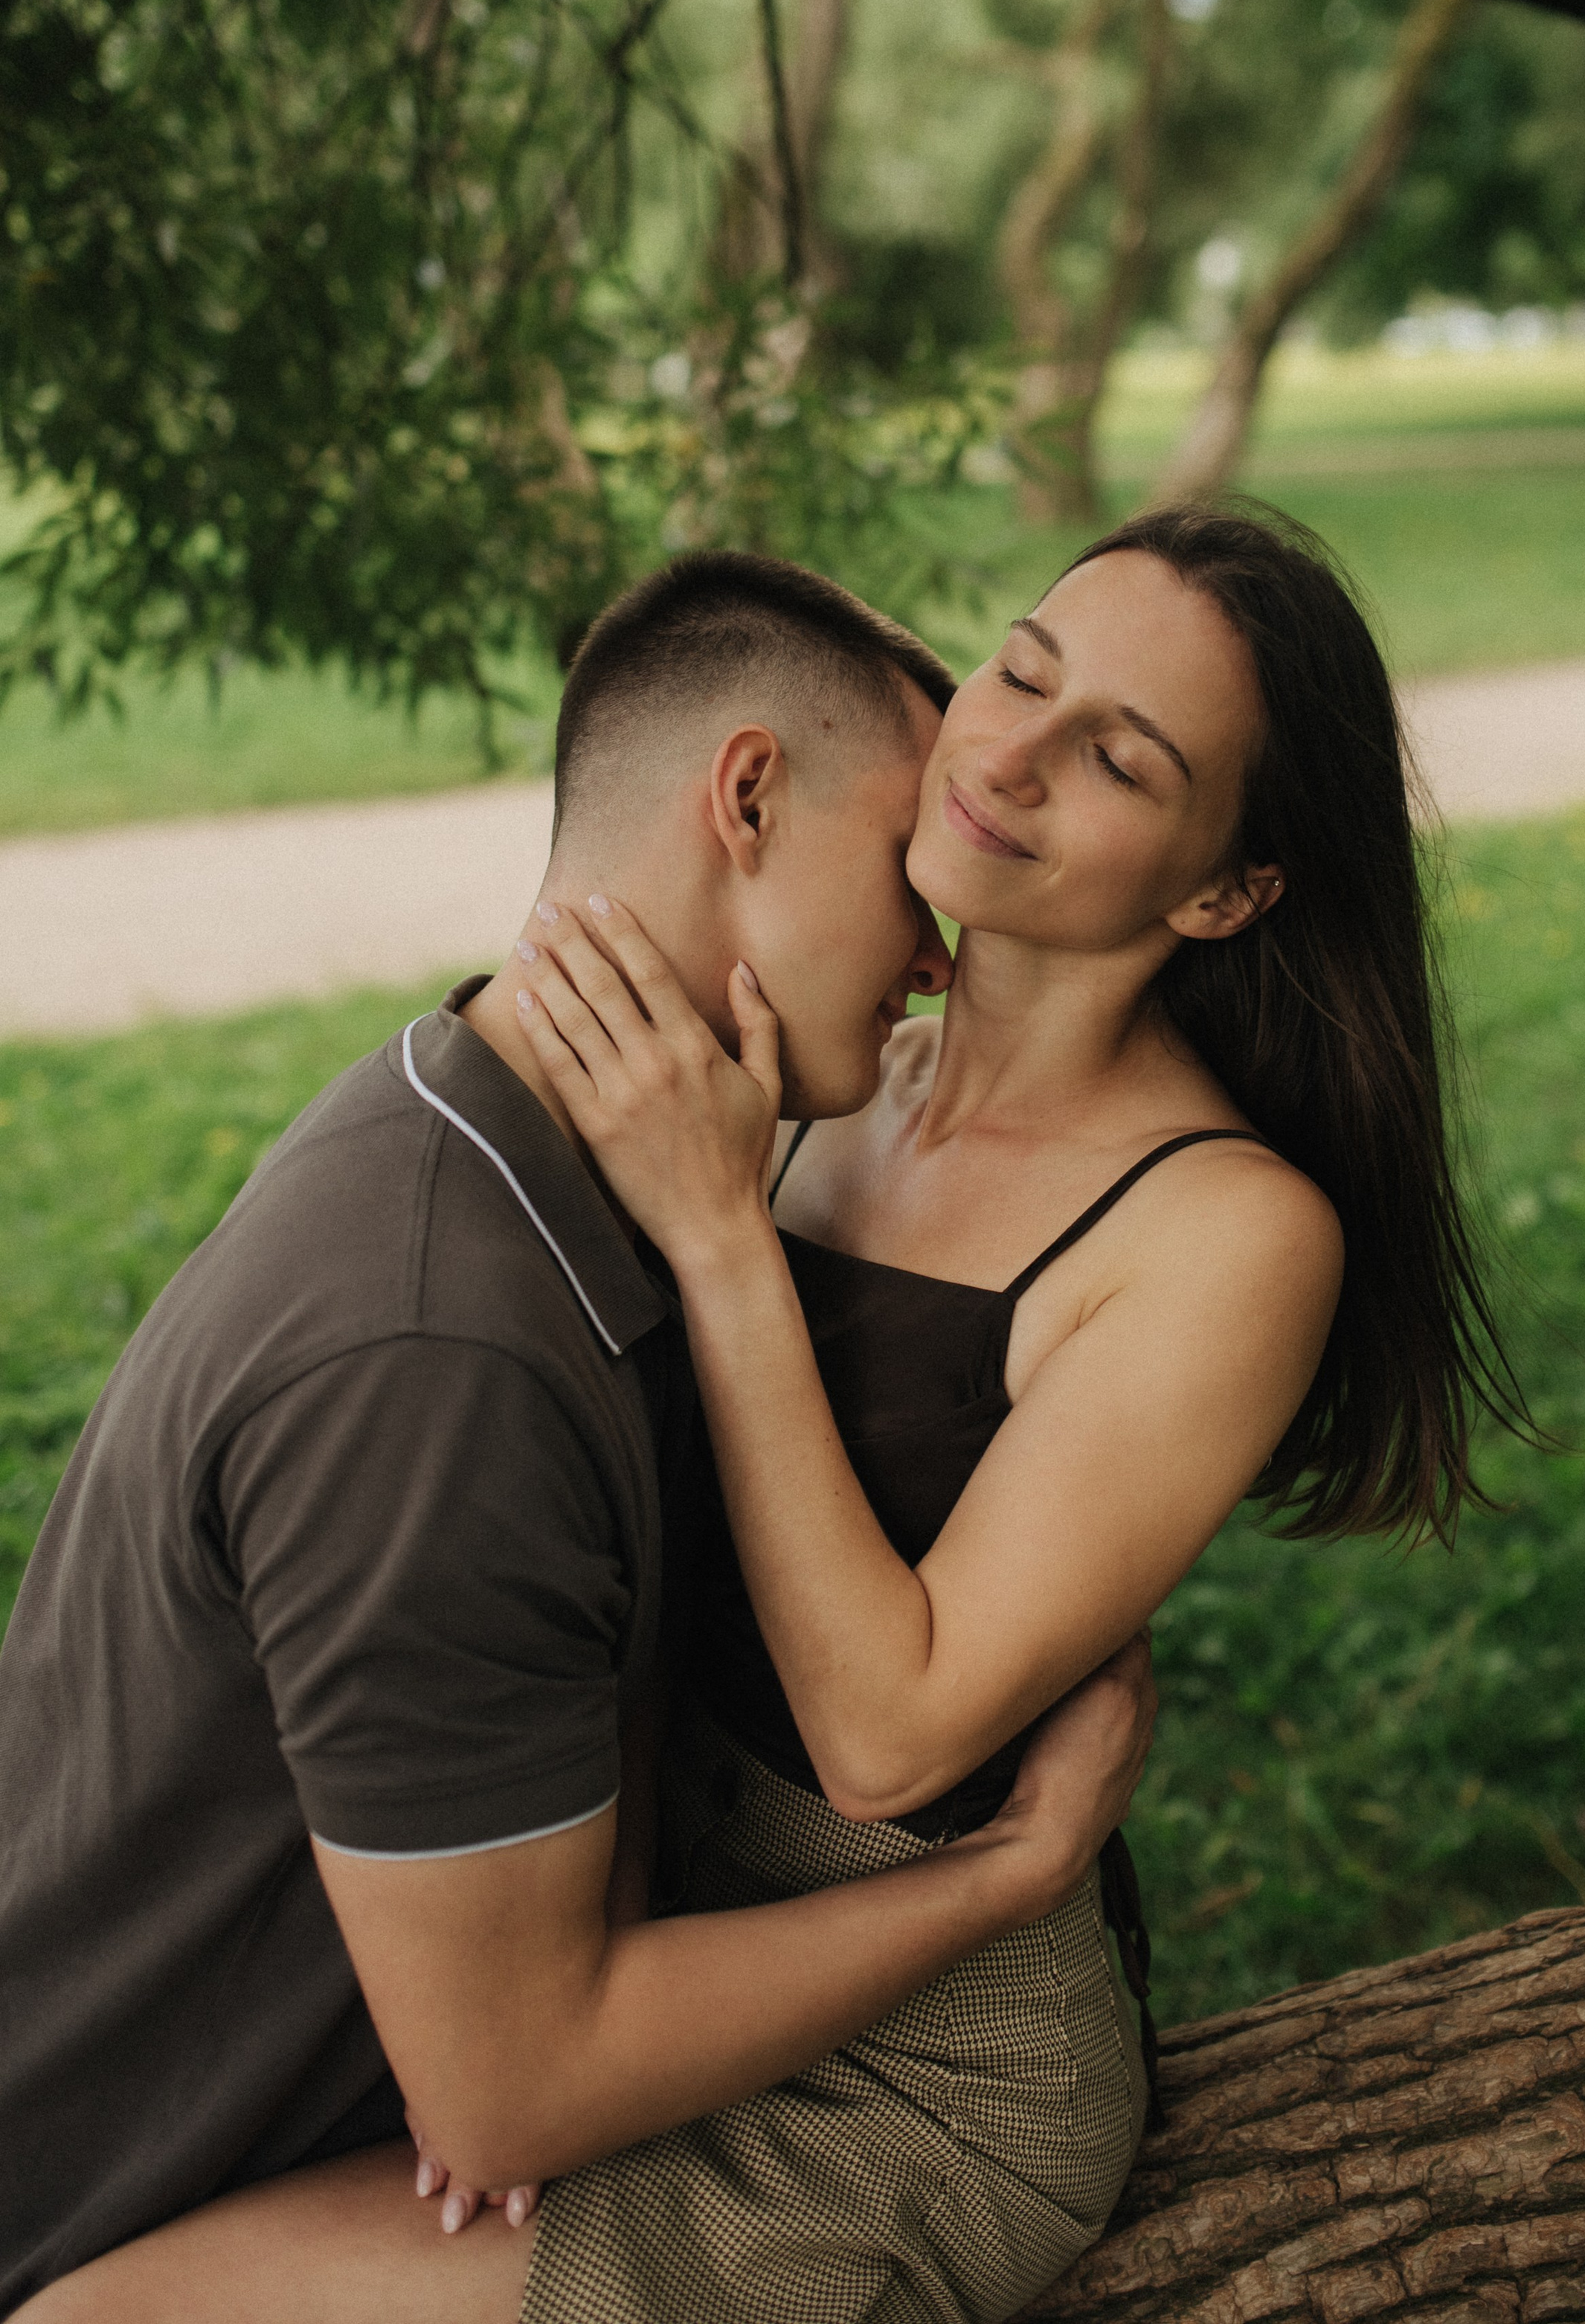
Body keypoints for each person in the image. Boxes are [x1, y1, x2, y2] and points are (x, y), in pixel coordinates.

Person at [0, 552, 1156, 2323]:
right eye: (899, 855)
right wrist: (1009, 1875)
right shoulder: (439, 1348)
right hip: (104, 2220)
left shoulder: (490, 1119)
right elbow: (513, 2095)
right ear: (747, 795)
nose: (945, 939)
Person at [482, 501, 1526, 2323]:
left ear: (1222, 889)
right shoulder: (811, 1068)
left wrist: (724, 1242)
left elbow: (887, 1735)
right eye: (1019, 672)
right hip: (644, 1944)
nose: (1008, 757)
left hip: (924, 2059)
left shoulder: (1224, 1233)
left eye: (1116, 756)